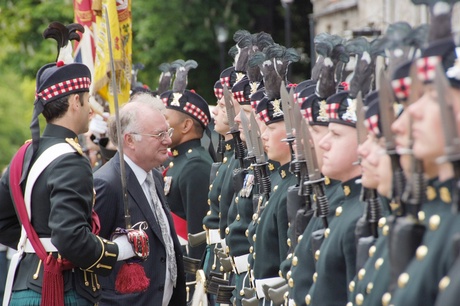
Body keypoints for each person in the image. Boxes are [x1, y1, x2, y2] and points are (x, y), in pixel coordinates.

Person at [0, 46, 134, 305]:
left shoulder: (25, 153)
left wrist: (38, 244)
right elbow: (69, 237)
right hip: (61, 291)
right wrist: (117, 251)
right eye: (87, 99)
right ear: (75, 102)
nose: (91, 110)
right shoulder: (70, 160)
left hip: (24, 285)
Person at [93, 94, 186, 306]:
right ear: (130, 140)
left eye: (168, 132)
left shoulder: (154, 175)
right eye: (159, 134)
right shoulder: (107, 183)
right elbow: (92, 258)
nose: (168, 140)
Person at [161, 88, 214, 262]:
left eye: (166, 119)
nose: (162, 124)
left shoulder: (195, 165)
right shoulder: (178, 161)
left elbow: (197, 235)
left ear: (186, 125)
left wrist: (192, 281)